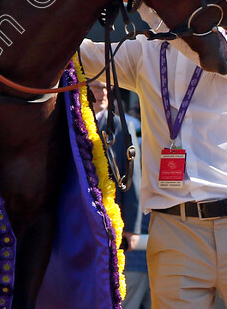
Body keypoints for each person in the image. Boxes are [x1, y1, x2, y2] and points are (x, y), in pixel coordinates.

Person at [80, 7, 227, 309]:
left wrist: (149, 10)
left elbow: (215, 53)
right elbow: (76, 57)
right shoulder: (145, 52)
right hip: (175, 231)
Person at [91, 82, 150, 309]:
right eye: (97, 87)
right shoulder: (70, 120)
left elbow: (133, 179)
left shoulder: (120, 125)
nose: (104, 93)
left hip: (111, 216)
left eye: (107, 88)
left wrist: (133, 228)